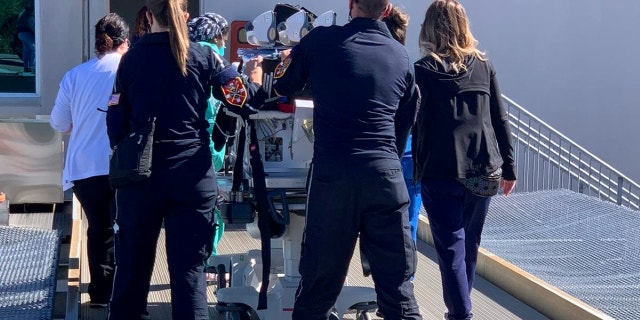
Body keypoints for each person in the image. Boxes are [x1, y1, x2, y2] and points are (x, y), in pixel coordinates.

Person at [105, 0, 265, 319]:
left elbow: (114, 121)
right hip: (192, 175)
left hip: (140, 178)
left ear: (148, 17)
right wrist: (255, 77)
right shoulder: (206, 56)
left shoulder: (130, 60)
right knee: (189, 278)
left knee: (131, 274)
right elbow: (243, 100)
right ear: (186, 17)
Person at [273, 0, 422, 319]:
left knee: (317, 288)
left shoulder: (319, 41)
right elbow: (405, 122)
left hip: (333, 178)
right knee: (398, 291)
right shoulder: (401, 56)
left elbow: (283, 85)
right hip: (385, 177)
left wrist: (290, 58)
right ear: (387, 10)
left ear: (351, 4)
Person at [412, 1, 517, 319]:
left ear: (429, 29)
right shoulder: (483, 65)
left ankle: (460, 313)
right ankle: (460, 309)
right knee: (469, 245)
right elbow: (499, 118)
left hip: (440, 170)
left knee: (451, 248)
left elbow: (410, 122)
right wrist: (510, 167)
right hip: (484, 171)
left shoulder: (422, 71)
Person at [49, 13, 129, 308]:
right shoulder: (131, 70)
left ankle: (100, 295)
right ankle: (127, 293)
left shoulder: (75, 75)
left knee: (99, 230)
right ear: (126, 42)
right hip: (125, 165)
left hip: (84, 168)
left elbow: (59, 123)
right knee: (129, 229)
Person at [187, 12, 231, 282]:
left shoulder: (184, 56)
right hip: (211, 142)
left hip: (183, 141)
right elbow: (236, 98)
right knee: (212, 202)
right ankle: (209, 259)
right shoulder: (216, 58)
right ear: (217, 36)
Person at [383, 5, 420, 244]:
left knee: (381, 220)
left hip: (383, 157)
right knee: (409, 222)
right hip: (410, 157)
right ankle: (409, 275)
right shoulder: (410, 70)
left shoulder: (379, 72)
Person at [16, 2, 35, 74]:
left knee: (26, 51)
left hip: (20, 33)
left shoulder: (22, 13)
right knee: (34, 49)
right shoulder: (29, 15)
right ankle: (32, 67)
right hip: (27, 33)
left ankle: (26, 67)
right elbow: (32, 25)